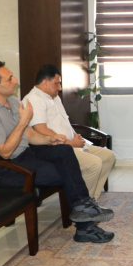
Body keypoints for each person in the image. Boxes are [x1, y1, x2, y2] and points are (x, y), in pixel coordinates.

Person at [0, 61, 115, 244]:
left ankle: (84, 209)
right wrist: (23, 122)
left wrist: (49, 139)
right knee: (68, 172)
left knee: (64, 150)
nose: (15, 80)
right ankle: (85, 225)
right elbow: (5, 152)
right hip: (7, 169)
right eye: (10, 78)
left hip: (26, 155)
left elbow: (30, 134)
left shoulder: (13, 102)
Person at [23, 64, 115, 201]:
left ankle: (91, 200)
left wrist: (75, 136)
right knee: (94, 164)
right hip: (56, 148)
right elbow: (41, 130)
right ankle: (82, 205)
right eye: (57, 83)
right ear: (45, 82)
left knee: (108, 156)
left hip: (71, 143)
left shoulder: (54, 97)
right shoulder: (33, 100)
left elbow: (65, 121)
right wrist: (71, 143)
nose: (60, 87)